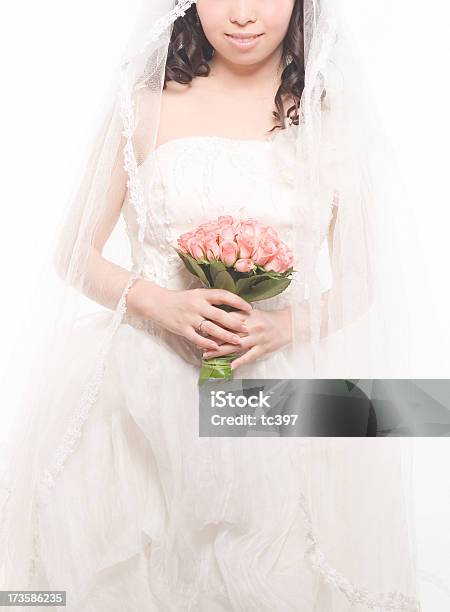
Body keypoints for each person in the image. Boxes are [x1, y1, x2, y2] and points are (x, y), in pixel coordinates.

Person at [0, 1, 423, 610]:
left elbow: (362, 279)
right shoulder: (144, 106)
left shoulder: (332, 121)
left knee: (284, 570)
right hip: (142, 389)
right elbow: (73, 251)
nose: (243, 13)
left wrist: (282, 327)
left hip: (285, 395)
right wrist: (159, 304)